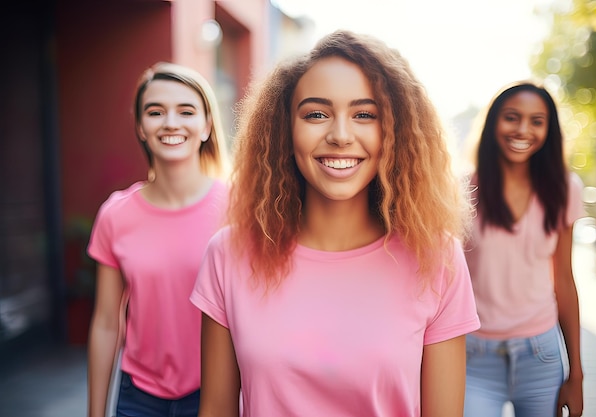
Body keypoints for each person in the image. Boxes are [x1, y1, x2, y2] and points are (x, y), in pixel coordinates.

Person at [190, 30, 480, 417]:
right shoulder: (228, 254)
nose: (340, 135)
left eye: (364, 114)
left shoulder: (437, 258)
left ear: (396, 131)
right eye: (316, 114)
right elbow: (215, 410)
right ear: (284, 129)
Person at [87, 61, 231, 417]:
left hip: (218, 393)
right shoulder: (116, 213)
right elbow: (107, 322)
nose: (170, 123)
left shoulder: (239, 206)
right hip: (139, 398)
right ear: (140, 125)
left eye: (186, 111)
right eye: (155, 112)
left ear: (206, 125)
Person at [462, 82, 585, 417]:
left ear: (549, 129)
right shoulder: (462, 191)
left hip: (540, 356)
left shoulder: (565, 190)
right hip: (473, 356)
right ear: (492, 123)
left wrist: (577, 374)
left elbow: (563, 280)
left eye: (536, 121)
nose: (522, 130)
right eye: (511, 118)